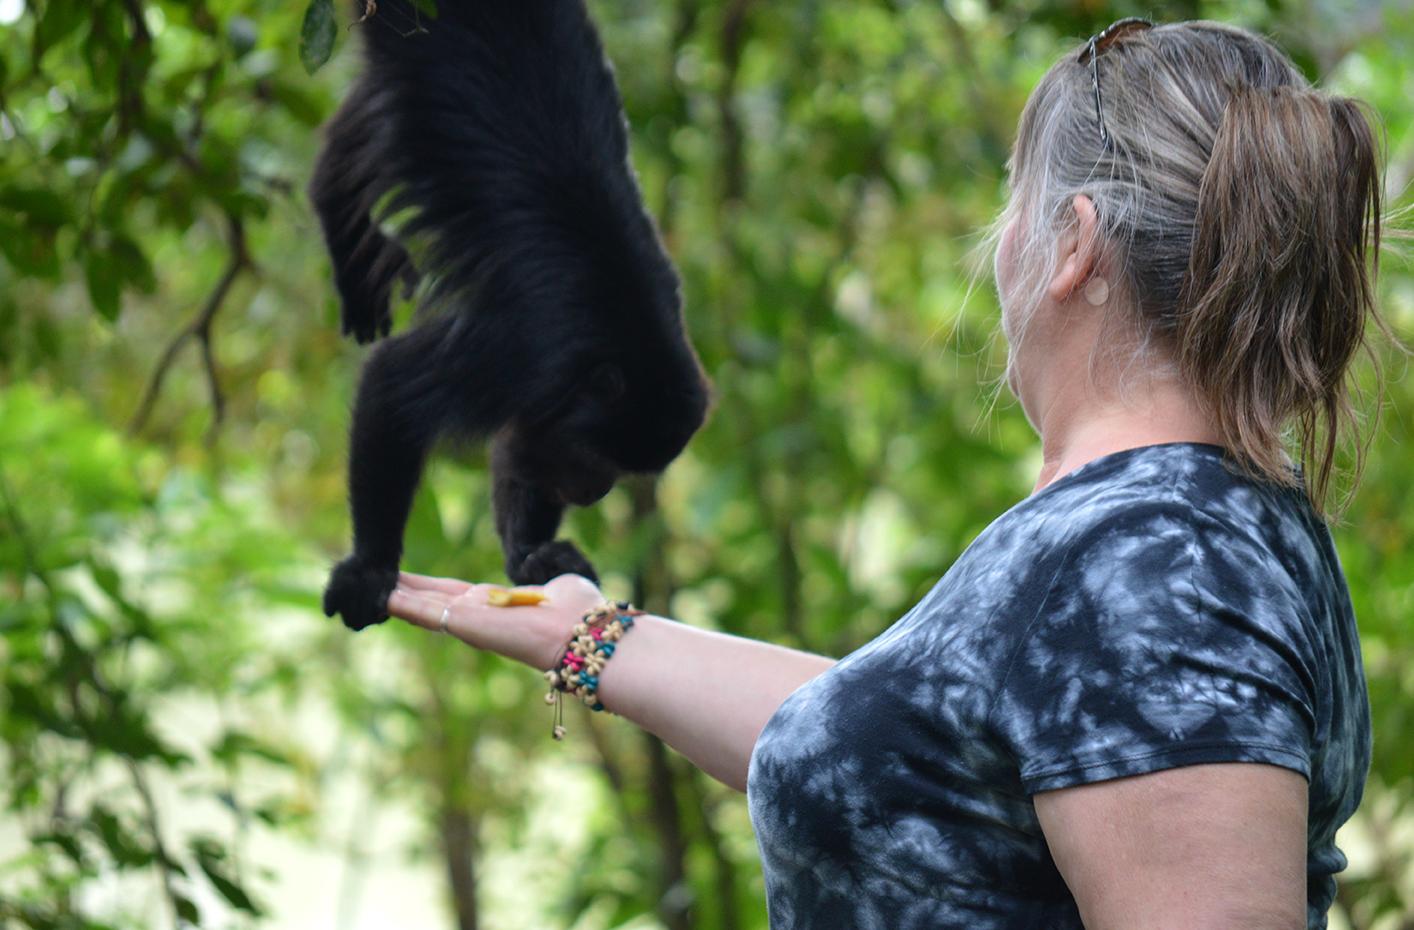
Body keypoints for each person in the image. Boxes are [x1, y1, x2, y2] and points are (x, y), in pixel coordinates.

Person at [386, 19, 1390, 930]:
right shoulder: (1166, 534)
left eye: (1017, 205)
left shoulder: (1154, 571)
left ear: (1073, 246)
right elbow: (912, 756)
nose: (1002, 245)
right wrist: (589, 636)